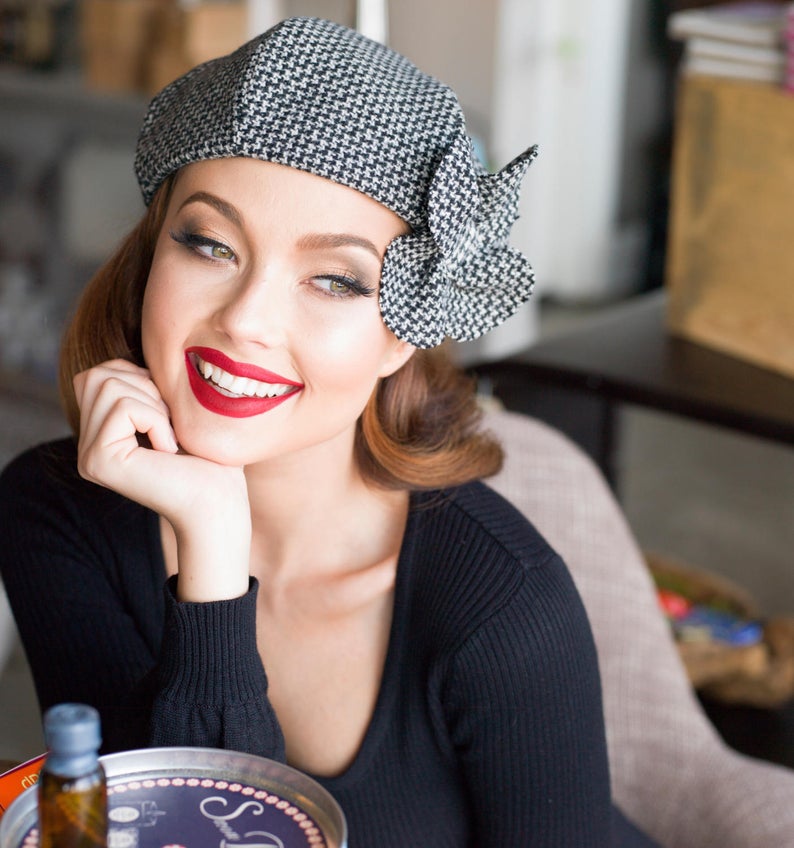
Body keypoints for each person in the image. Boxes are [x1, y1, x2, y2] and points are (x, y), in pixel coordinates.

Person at [0, 17, 657, 847]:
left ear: (403, 336)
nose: (246, 320)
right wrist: (212, 548)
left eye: (336, 280)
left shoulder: (504, 608)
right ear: (150, 256)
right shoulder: (54, 510)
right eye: (209, 244)